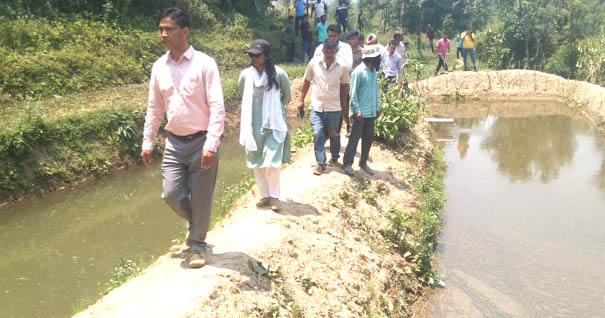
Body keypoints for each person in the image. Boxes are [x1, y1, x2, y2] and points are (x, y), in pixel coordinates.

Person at [141, 8, 225, 269]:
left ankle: (197, 245)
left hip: (202, 141)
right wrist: (147, 141)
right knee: (170, 194)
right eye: (161, 29)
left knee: (201, 197)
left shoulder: (204, 64)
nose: (163, 34)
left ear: (185, 31)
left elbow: (217, 107)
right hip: (173, 143)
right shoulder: (159, 67)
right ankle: (198, 224)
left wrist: (212, 144)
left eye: (169, 29)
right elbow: (154, 108)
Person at [238, 39, 292, 212]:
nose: (253, 58)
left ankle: (275, 196)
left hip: (273, 124)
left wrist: (275, 110)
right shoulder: (246, 75)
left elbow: (286, 97)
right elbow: (242, 93)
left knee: (272, 162)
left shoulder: (279, 74)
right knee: (257, 163)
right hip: (252, 124)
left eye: (257, 55)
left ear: (266, 56)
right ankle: (265, 195)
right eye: (251, 55)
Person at [297, 39, 350, 175]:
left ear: (336, 51)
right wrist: (301, 100)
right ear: (323, 51)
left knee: (334, 134)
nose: (328, 54)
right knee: (318, 133)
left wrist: (344, 108)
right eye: (326, 51)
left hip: (334, 107)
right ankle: (321, 163)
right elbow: (306, 82)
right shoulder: (314, 63)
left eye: (331, 52)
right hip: (316, 106)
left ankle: (335, 156)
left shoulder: (343, 67)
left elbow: (344, 89)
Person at [343, 45, 381, 176]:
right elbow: (352, 94)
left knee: (368, 138)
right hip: (360, 113)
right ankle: (347, 163)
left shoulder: (374, 73)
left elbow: (376, 92)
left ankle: (363, 162)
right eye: (378, 58)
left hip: (371, 112)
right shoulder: (358, 72)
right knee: (354, 139)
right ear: (372, 58)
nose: (380, 60)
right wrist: (356, 111)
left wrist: (377, 107)